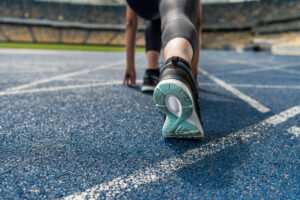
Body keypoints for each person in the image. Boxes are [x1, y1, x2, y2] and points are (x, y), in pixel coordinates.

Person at [123, 0, 204, 139]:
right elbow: (197, 23)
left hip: (144, 6)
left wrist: (130, 65)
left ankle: (151, 73)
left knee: (158, 16)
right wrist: (192, 69)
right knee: (176, 13)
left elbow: (130, 23)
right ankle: (178, 67)